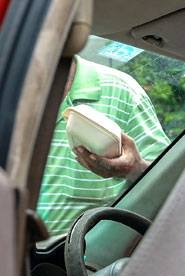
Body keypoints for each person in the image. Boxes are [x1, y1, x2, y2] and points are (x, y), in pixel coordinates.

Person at [36, 55, 170, 236]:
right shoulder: (9, 90)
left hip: (86, 253)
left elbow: (170, 184)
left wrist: (133, 168)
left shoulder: (121, 90)